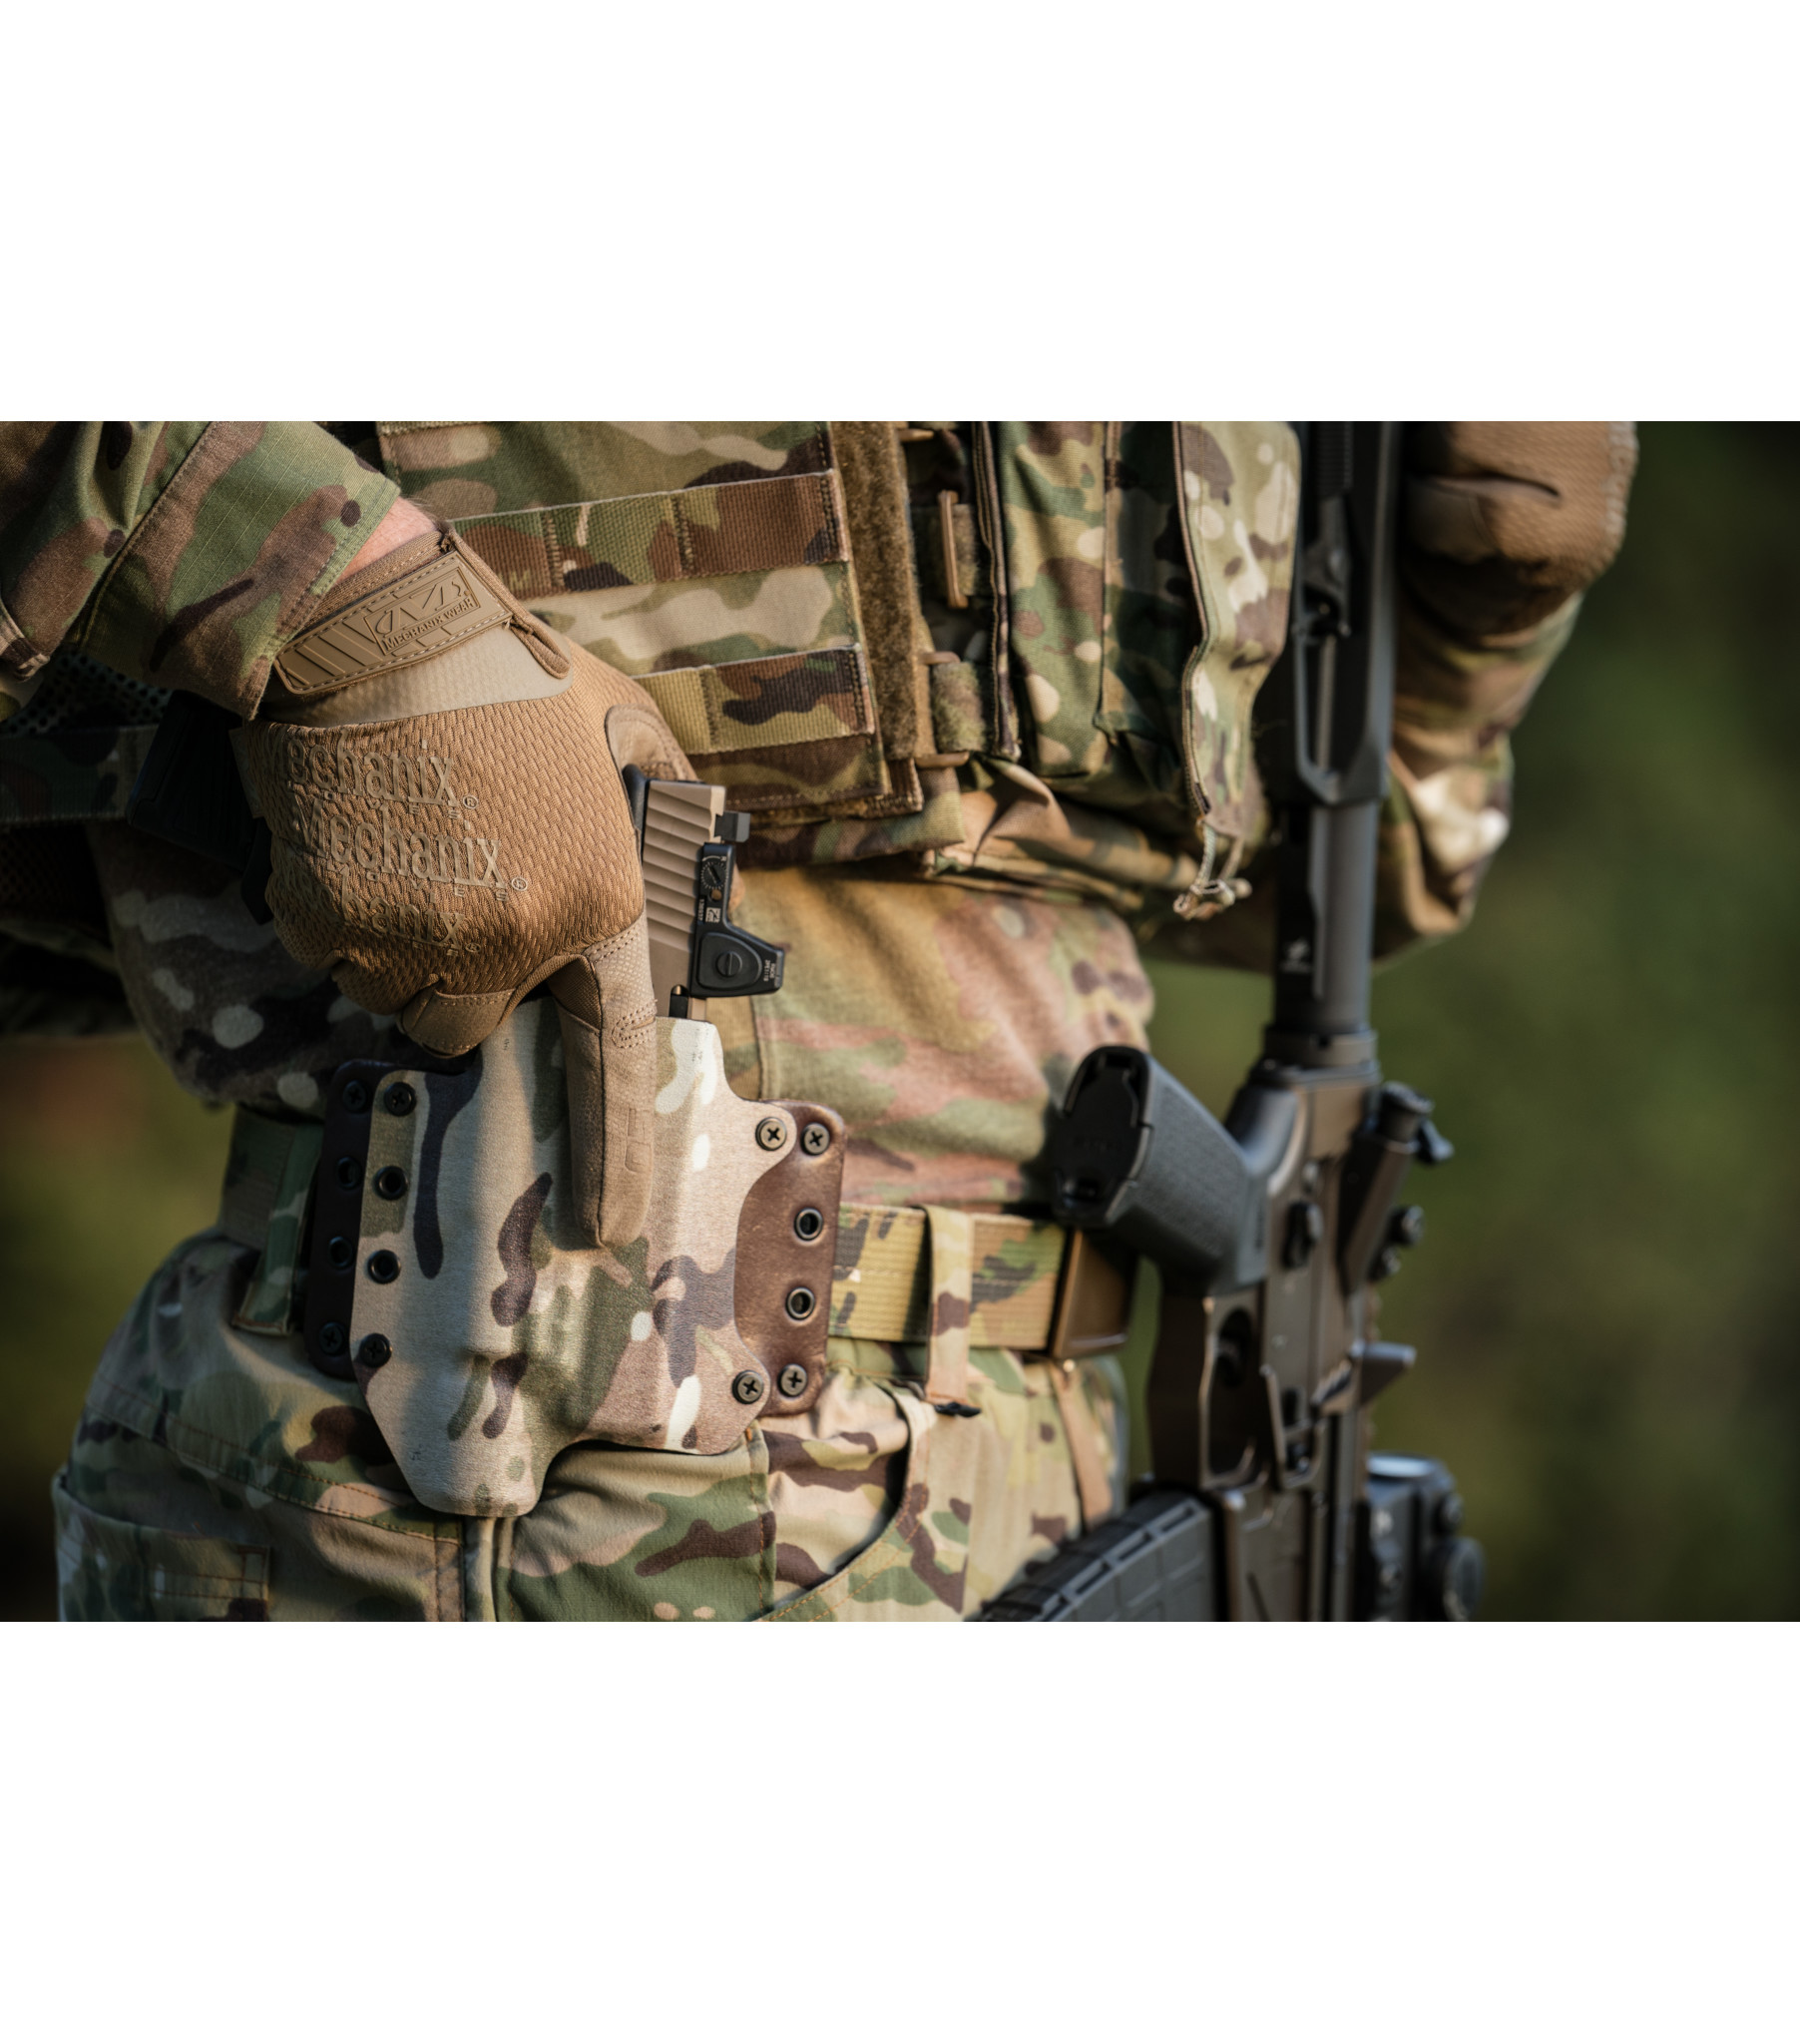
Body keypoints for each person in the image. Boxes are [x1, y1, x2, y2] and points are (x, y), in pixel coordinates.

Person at [0, 420, 1636, 1621]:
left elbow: (1283, 884)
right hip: (517, 1440)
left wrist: (1471, 632)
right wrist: (335, 611)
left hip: (1026, 1458)